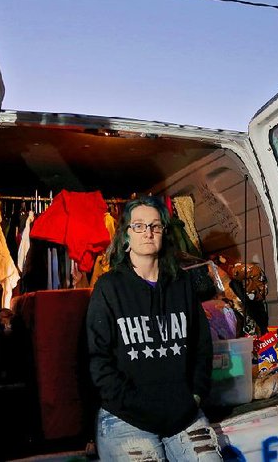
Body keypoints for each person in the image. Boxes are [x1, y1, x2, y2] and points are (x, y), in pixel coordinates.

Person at [86, 196, 222, 461]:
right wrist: (135, 406)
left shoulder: (182, 284)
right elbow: (98, 361)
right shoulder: (108, 288)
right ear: (126, 234)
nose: (147, 232)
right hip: (126, 418)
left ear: (163, 232)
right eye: (138, 226)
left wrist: (194, 396)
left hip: (183, 413)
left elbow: (201, 347)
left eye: (155, 226)